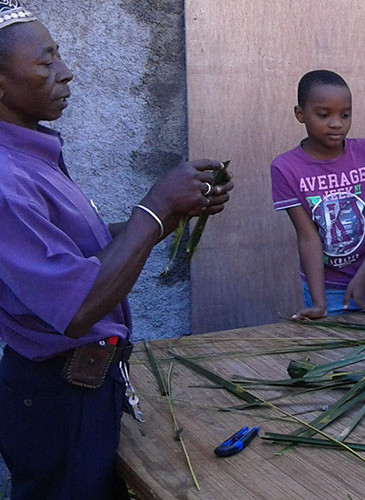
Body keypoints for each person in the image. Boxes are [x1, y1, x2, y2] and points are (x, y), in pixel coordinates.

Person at [0, 4, 234, 498]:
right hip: (55, 396)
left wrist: (173, 214)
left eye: (58, 56)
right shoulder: (6, 179)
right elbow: (78, 307)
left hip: (78, 388)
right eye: (45, 63)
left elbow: (83, 254)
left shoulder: (30, 156)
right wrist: (155, 206)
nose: (66, 72)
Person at [270, 70, 365, 320]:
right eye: (323, 115)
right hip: (328, 292)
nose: (336, 123)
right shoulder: (285, 168)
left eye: (345, 114)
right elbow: (308, 237)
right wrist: (319, 303)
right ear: (300, 114)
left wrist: (364, 277)